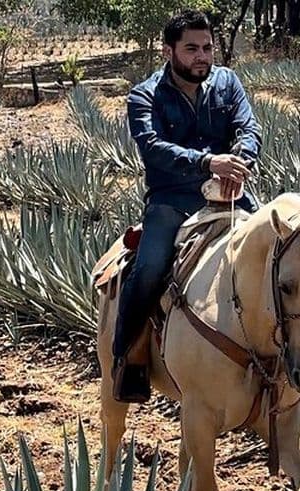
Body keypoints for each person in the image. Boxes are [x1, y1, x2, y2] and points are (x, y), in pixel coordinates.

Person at [112, 9, 263, 402]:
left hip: (231, 194)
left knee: (278, 252)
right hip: (172, 199)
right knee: (147, 270)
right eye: (192, 48)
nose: (202, 56)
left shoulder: (227, 83)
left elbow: (249, 128)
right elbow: (153, 147)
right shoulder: (145, 95)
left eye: (208, 48)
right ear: (169, 51)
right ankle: (127, 360)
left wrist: (240, 161)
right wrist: (207, 162)